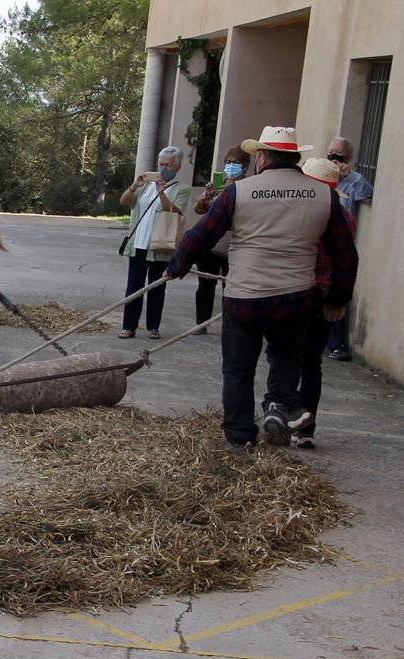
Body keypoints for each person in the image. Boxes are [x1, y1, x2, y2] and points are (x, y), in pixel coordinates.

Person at [166, 126, 357, 452]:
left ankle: (240, 436)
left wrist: (177, 267)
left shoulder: (238, 192)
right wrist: (337, 299)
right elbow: (345, 256)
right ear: (294, 157)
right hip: (295, 296)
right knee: (286, 355)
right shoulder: (324, 196)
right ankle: (278, 406)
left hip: (245, 296)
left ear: (263, 156)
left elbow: (201, 235)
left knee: (238, 369)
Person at [281, 157, 357, 449]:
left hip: (300, 295)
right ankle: (306, 429)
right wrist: (339, 299)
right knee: (312, 362)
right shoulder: (346, 217)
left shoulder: (305, 212)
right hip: (327, 300)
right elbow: (346, 262)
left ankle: (289, 415)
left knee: (287, 357)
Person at [117, 146, 190, 340]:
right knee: (134, 286)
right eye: (161, 164)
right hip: (139, 243)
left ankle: (153, 327)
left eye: (168, 165)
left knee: (157, 287)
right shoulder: (145, 186)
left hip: (161, 245)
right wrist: (135, 185)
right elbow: (124, 201)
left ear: (177, 167)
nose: (164, 168)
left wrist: (162, 193)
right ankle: (129, 326)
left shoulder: (181, 189)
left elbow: (175, 210)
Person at [189, 145, 250, 331]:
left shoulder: (247, 188)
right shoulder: (218, 184)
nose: (230, 166)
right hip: (210, 244)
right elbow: (199, 210)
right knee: (205, 285)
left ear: (245, 166)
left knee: (229, 288)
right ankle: (201, 323)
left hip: (234, 244)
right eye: (228, 162)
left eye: (235, 163)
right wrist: (207, 196)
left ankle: (229, 325)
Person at [324, 135, 373, 362]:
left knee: (338, 291)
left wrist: (349, 176)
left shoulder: (354, 181)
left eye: (339, 155)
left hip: (339, 245)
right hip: (315, 242)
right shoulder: (318, 173)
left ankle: (335, 343)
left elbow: (370, 194)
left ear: (349, 157)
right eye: (331, 153)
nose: (334, 158)